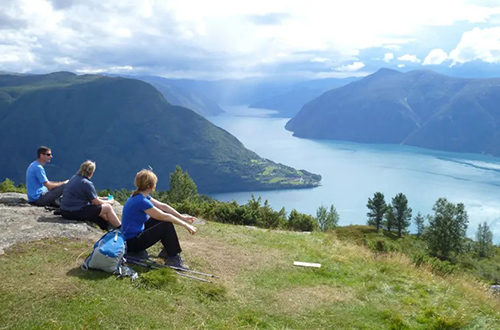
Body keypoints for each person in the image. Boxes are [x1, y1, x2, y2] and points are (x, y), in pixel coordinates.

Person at [121, 169, 197, 269]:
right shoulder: (141, 201)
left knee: (164, 218)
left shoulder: (138, 195)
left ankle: (168, 251)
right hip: (132, 243)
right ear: (150, 186)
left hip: (131, 238)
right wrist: (186, 225)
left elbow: (163, 206)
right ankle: (173, 259)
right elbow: (165, 217)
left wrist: (182, 217)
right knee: (165, 224)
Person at [60, 160, 121, 230]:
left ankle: (108, 225)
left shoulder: (74, 178)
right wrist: (109, 202)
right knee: (107, 208)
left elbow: (89, 197)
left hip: (64, 211)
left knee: (96, 209)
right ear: (91, 173)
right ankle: (120, 228)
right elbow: (96, 202)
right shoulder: (86, 183)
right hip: (74, 212)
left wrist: (103, 198)